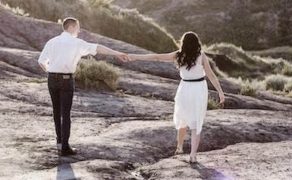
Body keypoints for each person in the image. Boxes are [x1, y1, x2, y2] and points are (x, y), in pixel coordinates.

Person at [38, 17, 129, 156]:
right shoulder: (76, 43)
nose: (79, 31)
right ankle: (65, 147)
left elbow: (41, 61)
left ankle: (59, 143)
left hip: (51, 78)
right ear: (72, 27)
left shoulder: (52, 41)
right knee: (65, 113)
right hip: (66, 80)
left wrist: (50, 71)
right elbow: (98, 48)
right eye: (78, 27)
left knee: (56, 111)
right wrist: (117, 53)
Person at [128, 32, 225, 163]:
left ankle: (179, 148)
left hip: (184, 88)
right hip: (198, 90)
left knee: (183, 118)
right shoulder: (201, 56)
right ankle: (193, 155)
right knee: (196, 122)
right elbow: (212, 76)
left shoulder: (179, 55)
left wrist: (134, 56)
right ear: (197, 43)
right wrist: (220, 92)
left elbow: (156, 57)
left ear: (183, 43)